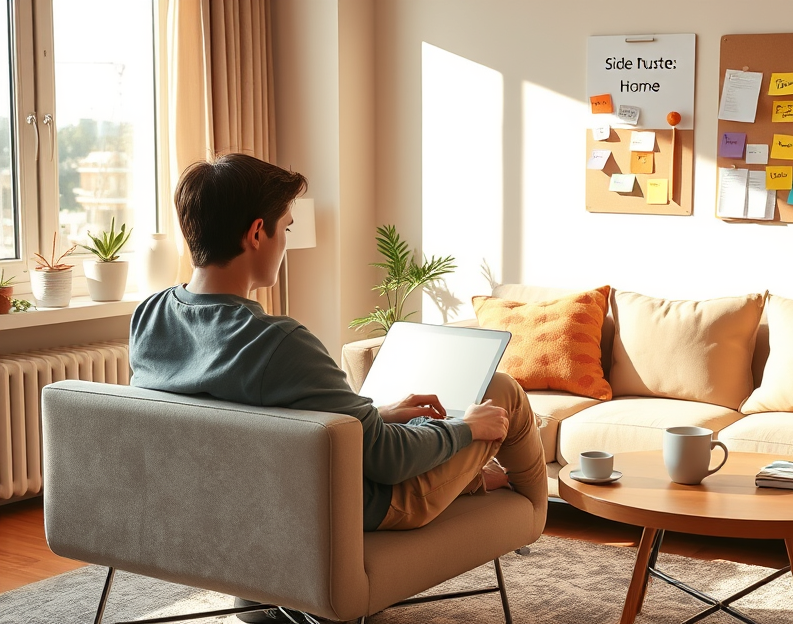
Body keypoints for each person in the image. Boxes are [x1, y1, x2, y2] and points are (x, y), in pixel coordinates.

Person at [129, 153, 546, 622]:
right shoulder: (278, 343)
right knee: (502, 390)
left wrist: (375, 413)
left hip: (228, 512)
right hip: (351, 506)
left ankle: (472, 480)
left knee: (416, 420)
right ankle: (532, 509)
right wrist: (465, 428)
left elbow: (259, 422)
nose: (285, 242)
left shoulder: (150, 317)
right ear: (256, 233)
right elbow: (387, 460)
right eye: (285, 228)